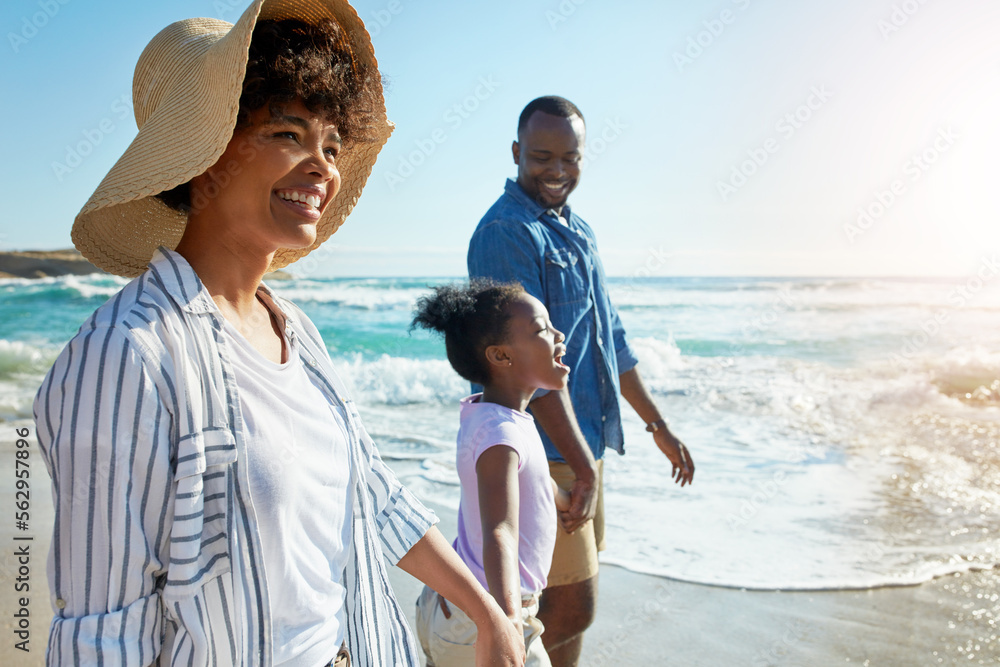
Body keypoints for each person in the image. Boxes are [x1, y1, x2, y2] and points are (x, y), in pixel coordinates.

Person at [33, 3, 525, 666]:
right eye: (289, 133)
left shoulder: (299, 334)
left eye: (330, 143)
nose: (322, 166)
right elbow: (101, 631)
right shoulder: (128, 354)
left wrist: (486, 610)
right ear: (205, 158)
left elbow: (374, 493)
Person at [467, 95, 696, 667]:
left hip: (585, 447)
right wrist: (581, 464)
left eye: (570, 157)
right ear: (517, 151)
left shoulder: (579, 229)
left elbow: (609, 338)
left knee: (571, 612)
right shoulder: (506, 232)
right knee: (565, 611)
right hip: (543, 456)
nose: (557, 170)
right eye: (542, 156)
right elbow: (526, 365)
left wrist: (656, 426)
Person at [410, 280, 574, 667]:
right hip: (485, 617)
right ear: (501, 356)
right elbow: (500, 531)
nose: (558, 335)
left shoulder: (491, 415)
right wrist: (509, 623)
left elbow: (528, 480)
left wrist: (566, 500)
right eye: (541, 330)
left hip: (455, 611)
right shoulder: (502, 434)